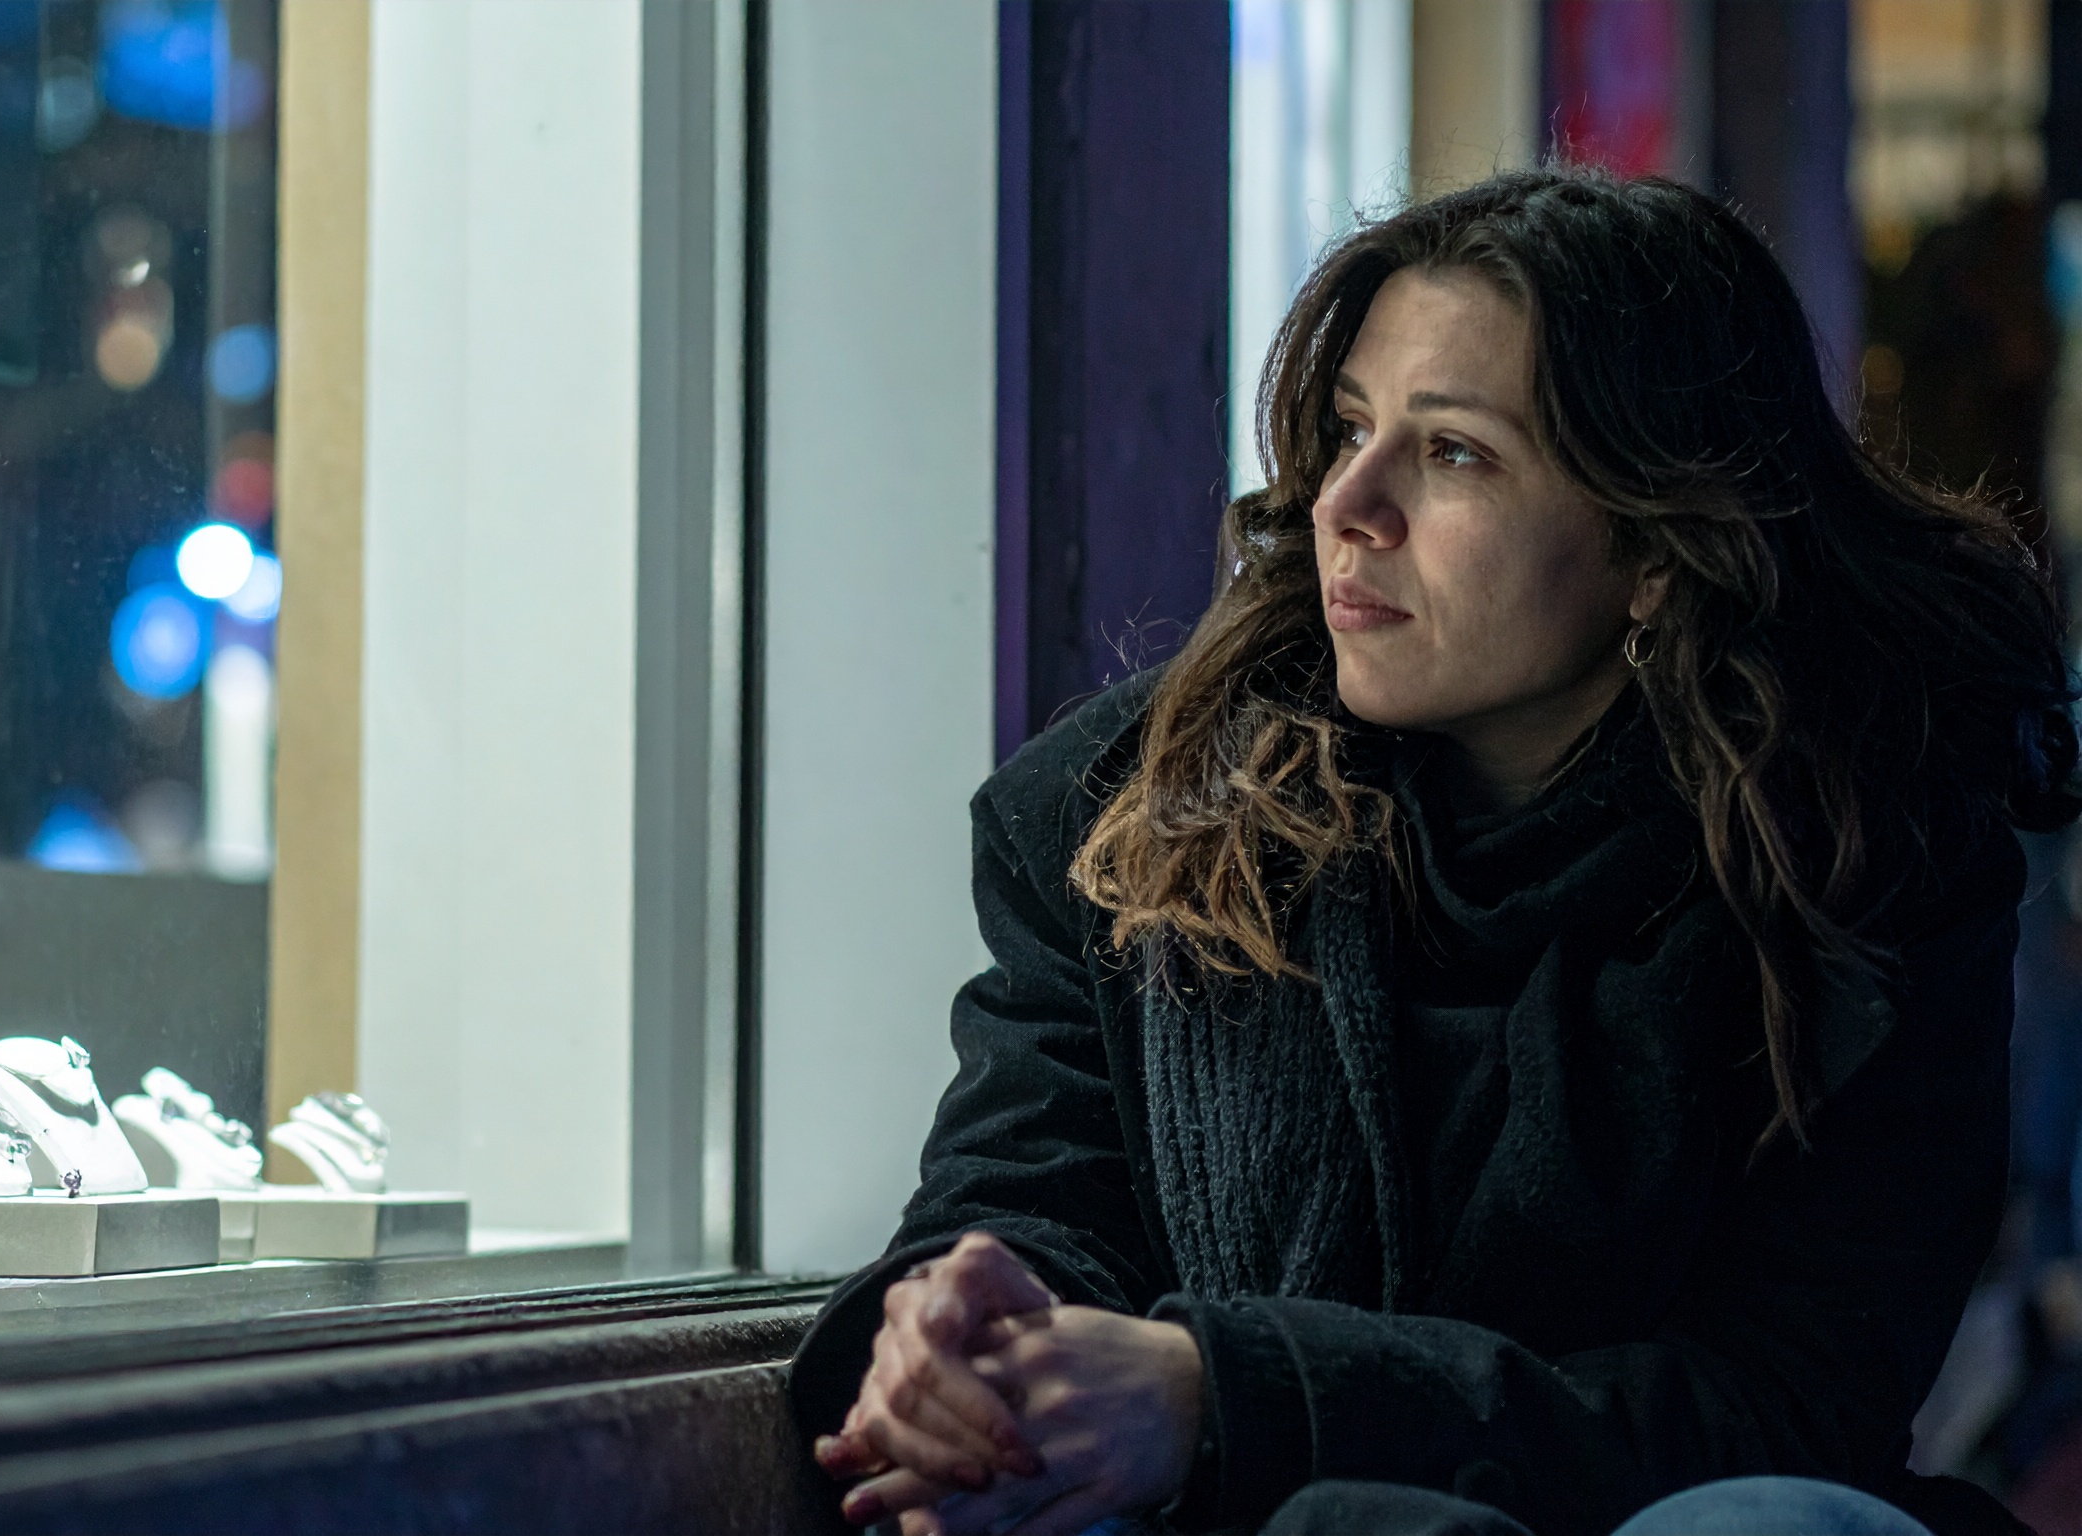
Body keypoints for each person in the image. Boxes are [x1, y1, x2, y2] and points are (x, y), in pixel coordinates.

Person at [790, 168, 2081, 1536]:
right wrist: (960, 1333)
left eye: (1454, 451)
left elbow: (1780, 1404)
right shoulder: (1125, 823)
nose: (1349, 501)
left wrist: (1229, 1396)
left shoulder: (1860, 869)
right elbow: (1027, 1200)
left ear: (1651, 547)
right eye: (1351, 427)